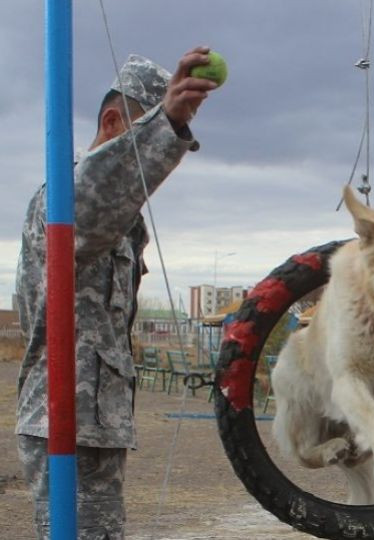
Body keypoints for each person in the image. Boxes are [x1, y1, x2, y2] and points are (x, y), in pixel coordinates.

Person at [15, 46, 219, 539]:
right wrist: (165, 122)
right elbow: (92, 205)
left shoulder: (119, 219)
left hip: (93, 423)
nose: (148, 170)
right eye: (140, 139)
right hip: (62, 419)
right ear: (111, 121)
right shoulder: (62, 201)